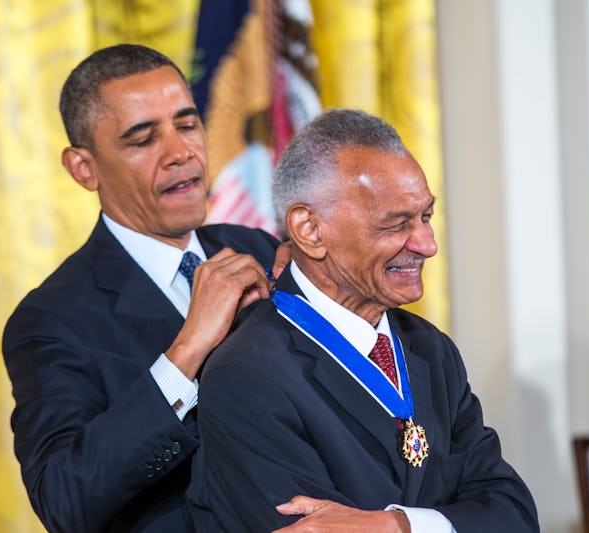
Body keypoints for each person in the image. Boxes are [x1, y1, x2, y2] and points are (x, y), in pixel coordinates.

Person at [187, 108, 540, 532]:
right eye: (396, 224)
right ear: (310, 230)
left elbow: (514, 514)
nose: (427, 245)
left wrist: (397, 526)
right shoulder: (247, 375)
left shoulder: (431, 348)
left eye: (426, 216)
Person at [2, 44, 288, 532]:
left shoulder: (258, 248)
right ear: (83, 168)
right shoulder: (52, 319)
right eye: (142, 139)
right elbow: (64, 499)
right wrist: (188, 349)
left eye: (187, 123)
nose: (181, 153)